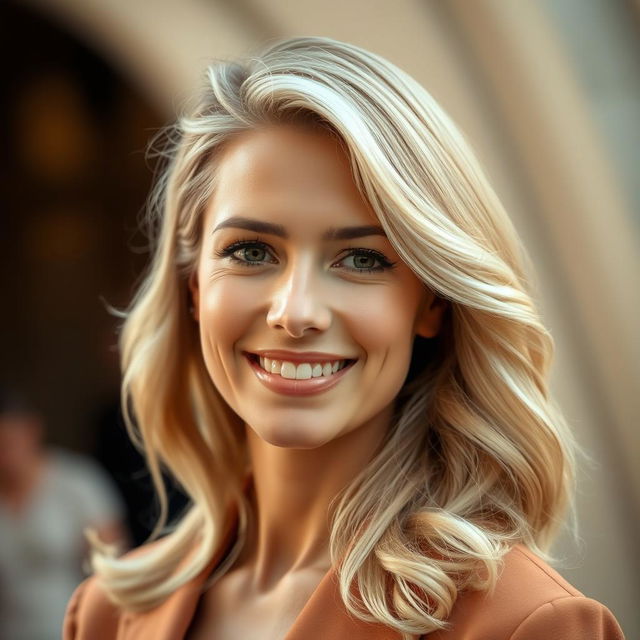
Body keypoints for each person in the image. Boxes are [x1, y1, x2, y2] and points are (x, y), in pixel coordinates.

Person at [63, 37, 625, 639]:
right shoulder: (107, 614)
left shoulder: (525, 624)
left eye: (361, 259)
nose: (296, 312)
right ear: (194, 288)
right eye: (251, 251)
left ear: (432, 302)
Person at [0, 389, 126, 640]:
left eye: (7, 443)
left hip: (72, 627)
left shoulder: (78, 482)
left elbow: (111, 566)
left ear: (31, 430)